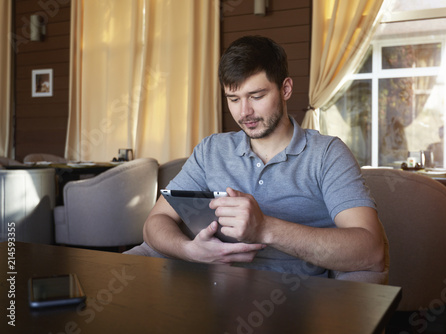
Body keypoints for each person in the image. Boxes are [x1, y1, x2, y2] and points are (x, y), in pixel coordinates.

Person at [126, 36, 387, 281]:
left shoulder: (327, 154)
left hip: (292, 301)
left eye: (257, 96)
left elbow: (371, 250)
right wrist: (189, 250)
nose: (244, 112)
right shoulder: (211, 150)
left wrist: (264, 228)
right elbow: (155, 222)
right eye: (233, 99)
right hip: (207, 291)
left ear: (285, 89)